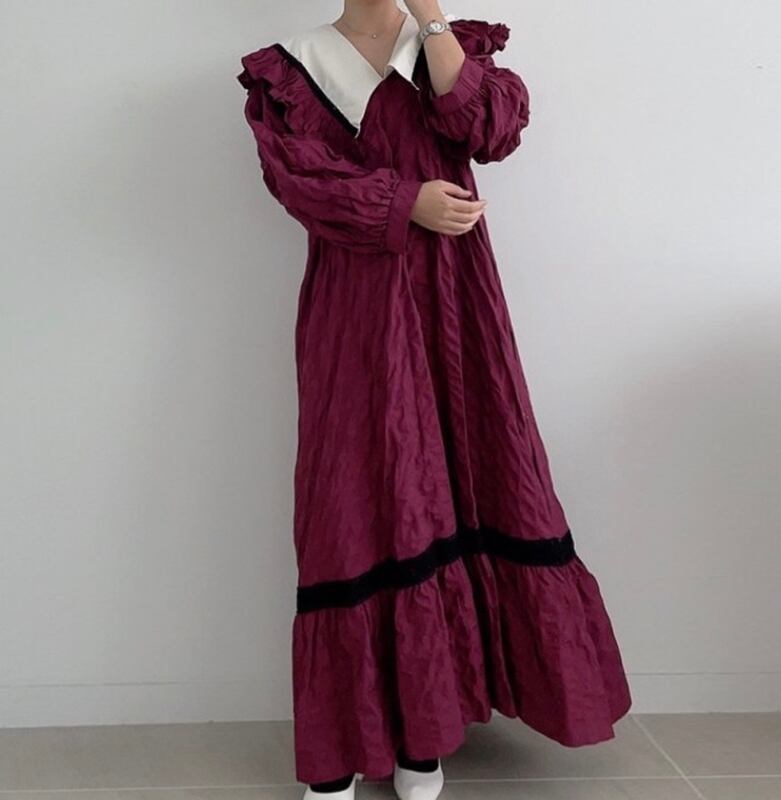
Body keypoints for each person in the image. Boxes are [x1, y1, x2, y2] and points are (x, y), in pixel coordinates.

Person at [236, 2, 632, 798]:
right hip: (356, 311)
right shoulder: (293, 67)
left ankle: (426, 738)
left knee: (457, 483)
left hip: (458, 309)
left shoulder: (444, 46)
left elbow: (494, 128)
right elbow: (296, 178)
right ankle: (345, 746)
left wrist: (433, 18)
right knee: (354, 496)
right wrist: (403, 202)